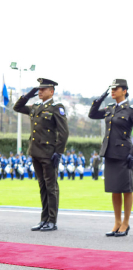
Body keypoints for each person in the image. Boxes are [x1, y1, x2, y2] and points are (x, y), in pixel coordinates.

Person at [89, 79, 133, 237]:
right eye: (111, 89)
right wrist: (100, 98)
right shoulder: (110, 108)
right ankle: (117, 222)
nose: (113, 91)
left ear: (125, 91)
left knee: (126, 189)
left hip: (124, 154)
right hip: (110, 153)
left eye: (116, 88)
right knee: (114, 189)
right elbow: (93, 114)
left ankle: (126, 223)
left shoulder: (131, 109)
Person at [14, 78, 69, 232]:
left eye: (42, 89)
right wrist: (29, 94)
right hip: (36, 152)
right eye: (38, 89)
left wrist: (58, 152)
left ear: (51, 91)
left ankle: (52, 220)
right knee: (42, 187)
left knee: (51, 187)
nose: (39, 92)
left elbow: (64, 132)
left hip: (49, 154)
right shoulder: (36, 106)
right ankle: (44, 219)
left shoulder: (56, 108)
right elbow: (17, 107)